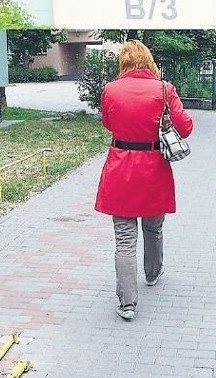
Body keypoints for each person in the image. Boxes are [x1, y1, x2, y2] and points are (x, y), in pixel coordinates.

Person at [94, 40, 193, 320]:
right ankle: (152, 272)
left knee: (124, 239)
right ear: (149, 61)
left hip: (120, 168)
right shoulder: (164, 90)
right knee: (153, 226)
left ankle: (127, 304)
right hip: (154, 169)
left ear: (123, 62)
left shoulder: (111, 90)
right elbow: (186, 127)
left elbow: (108, 124)